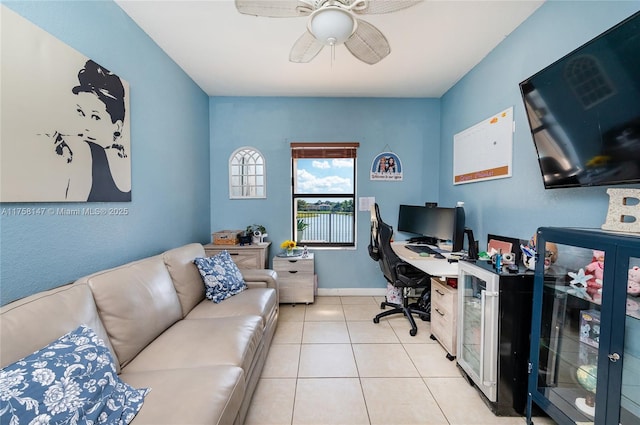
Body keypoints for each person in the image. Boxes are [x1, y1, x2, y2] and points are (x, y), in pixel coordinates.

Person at [47, 60, 130, 201]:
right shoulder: (77, 149)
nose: (85, 126)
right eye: (80, 113)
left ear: (116, 128)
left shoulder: (83, 150)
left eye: (95, 117)